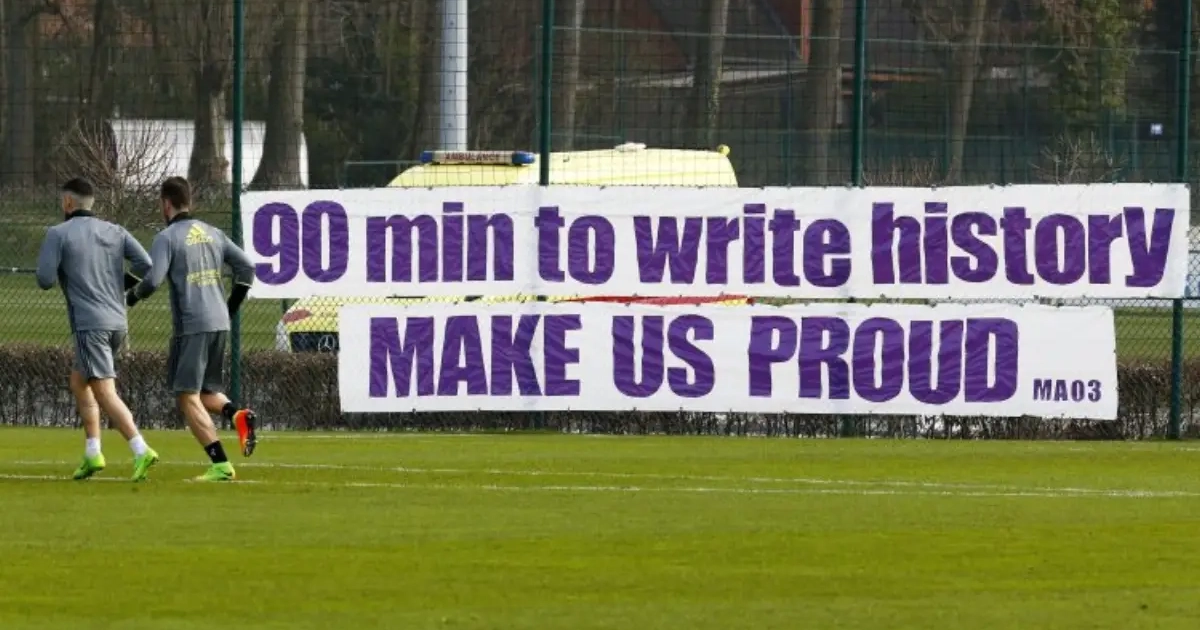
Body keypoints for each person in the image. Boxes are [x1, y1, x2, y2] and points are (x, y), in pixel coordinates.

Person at [126, 176, 258, 482]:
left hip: (192, 325)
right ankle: (238, 415)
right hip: (219, 323)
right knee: (205, 392)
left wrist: (130, 298)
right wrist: (229, 308)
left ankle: (220, 464)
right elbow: (247, 268)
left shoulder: (167, 237)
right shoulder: (213, 232)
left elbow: (152, 279)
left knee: (186, 397)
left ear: (166, 204)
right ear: (189, 202)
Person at [36, 178, 160, 481]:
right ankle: (93, 453)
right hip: (117, 321)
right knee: (80, 381)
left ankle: (141, 449)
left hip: (89, 324)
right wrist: (119, 284)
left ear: (68, 202)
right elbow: (146, 264)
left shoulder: (58, 233)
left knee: (104, 390)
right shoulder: (115, 231)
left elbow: (44, 279)